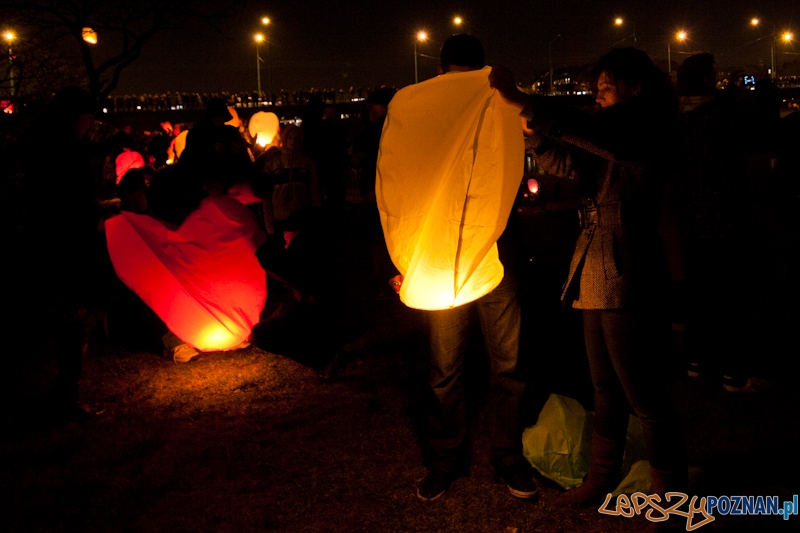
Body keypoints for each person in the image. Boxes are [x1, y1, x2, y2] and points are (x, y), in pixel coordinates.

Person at [491, 48, 687, 524]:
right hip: (594, 265)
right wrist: (535, 136)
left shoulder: (646, 128)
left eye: (607, 84)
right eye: (596, 85)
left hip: (629, 267)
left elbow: (599, 138)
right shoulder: (614, 132)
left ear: (637, 86)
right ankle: (600, 478)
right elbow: (571, 163)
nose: (598, 92)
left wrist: (525, 101)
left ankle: (669, 491)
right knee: (604, 386)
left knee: (643, 391)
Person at [378, 34, 537, 502]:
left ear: (441, 65)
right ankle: (481, 457)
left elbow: (392, 186)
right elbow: (401, 179)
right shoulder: (427, 107)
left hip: (480, 255)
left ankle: (464, 458)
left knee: (451, 366)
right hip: (454, 256)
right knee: (500, 364)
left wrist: (404, 256)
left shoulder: (434, 106)